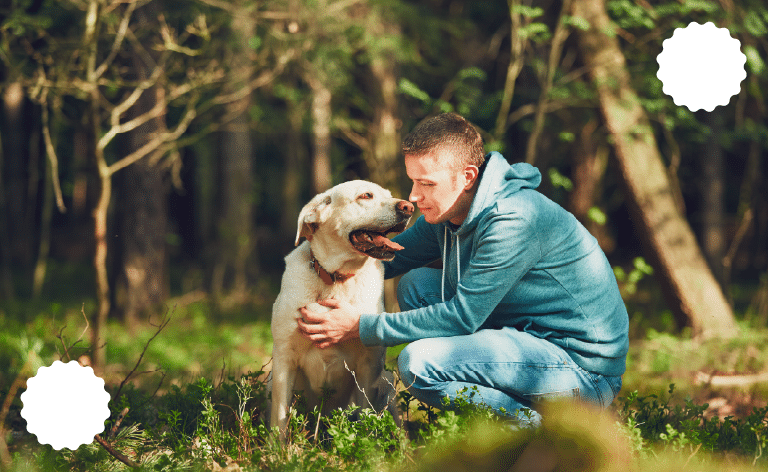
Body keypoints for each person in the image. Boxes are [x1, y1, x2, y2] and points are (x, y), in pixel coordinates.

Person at [297, 112, 629, 426]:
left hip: (581, 370)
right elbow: (392, 259)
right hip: (525, 343)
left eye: (426, 184)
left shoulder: (513, 219)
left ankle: (532, 432)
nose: (414, 196)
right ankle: (490, 415)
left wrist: (360, 326)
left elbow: (462, 317)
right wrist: (318, 264)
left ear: (467, 177)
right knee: (417, 285)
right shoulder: (447, 214)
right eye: (413, 181)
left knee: (419, 362)